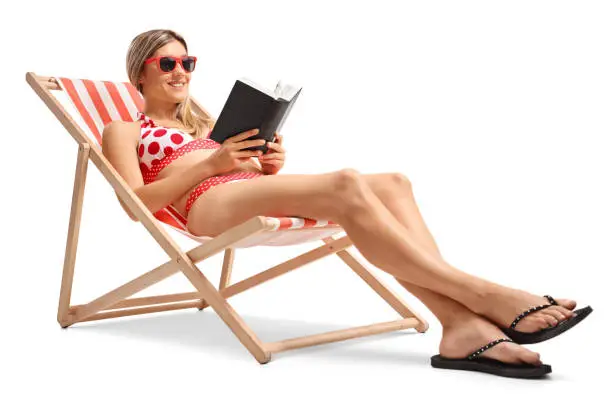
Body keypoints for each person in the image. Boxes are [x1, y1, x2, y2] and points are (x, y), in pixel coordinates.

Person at [102, 29, 592, 379]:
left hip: (235, 191)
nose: (181, 72)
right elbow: (134, 202)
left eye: (188, 63)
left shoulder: (208, 126)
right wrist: (212, 166)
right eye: (167, 63)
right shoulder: (124, 130)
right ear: (139, 74)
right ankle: (486, 296)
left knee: (393, 183)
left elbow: (242, 171)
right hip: (203, 207)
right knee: (346, 182)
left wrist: (263, 162)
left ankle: (462, 328)